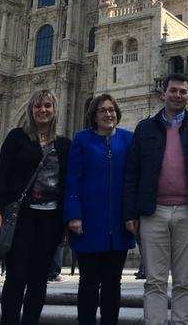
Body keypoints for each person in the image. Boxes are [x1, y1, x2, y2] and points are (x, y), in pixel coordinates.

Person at [123, 73, 188, 325]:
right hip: (153, 212)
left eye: (183, 92)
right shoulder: (145, 128)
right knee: (154, 280)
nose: (178, 95)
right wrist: (130, 213)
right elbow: (133, 172)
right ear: (163, 93)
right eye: (173, 91)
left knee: (185, 281)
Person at [0, 90, 72, 325]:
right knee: (15, 277)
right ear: (30, 110)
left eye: (47, 106)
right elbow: (2, 175)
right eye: (37, 106)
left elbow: (68, 184)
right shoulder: (17, 137)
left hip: (51, 220)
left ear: (55, 110)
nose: (42, 110)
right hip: (20, 218)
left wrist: (67, 221)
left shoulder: (64, 144)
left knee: (38, 280)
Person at [65, 94, 135, 325]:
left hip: (118, 223)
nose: (108, 114)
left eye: (112, 109)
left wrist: (132, 213)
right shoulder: (82, 140)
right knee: (88, 282)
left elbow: (133, 178)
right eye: (103, 110)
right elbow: (73, 178)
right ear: (94, 116)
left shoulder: (128, 139)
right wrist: (73, 214)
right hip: (89, 222)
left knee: (113, 283)